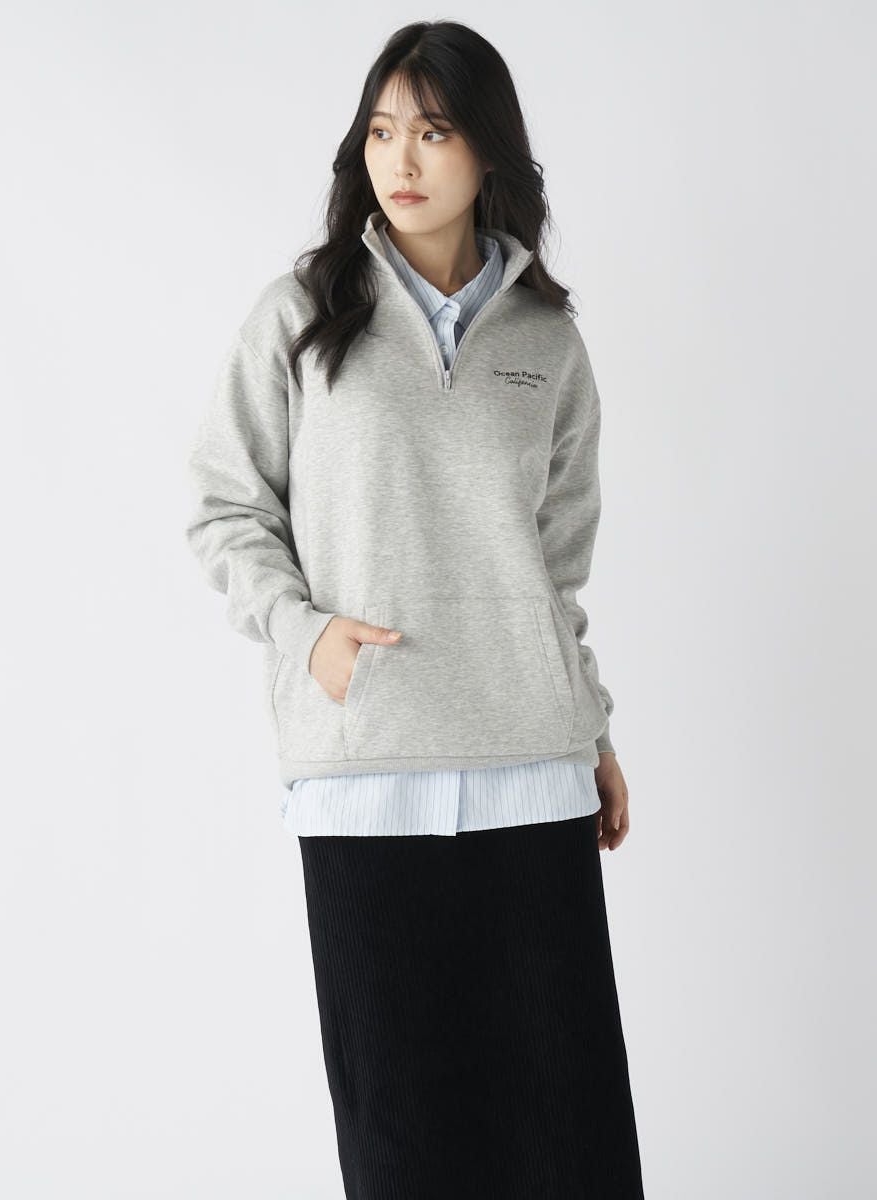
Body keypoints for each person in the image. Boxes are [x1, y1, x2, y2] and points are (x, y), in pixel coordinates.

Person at [186, 19, 644, 1199]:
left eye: (433, 132)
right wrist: (305, 636)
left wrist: (593, 729)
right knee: (403, 1145)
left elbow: (556, 570)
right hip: (366, 773)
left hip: (532, 772)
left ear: (488, 150)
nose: (402, 158)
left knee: (568, 1138)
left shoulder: (547, 342)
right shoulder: (299, 316)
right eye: (383, 131)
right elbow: (226, 509)